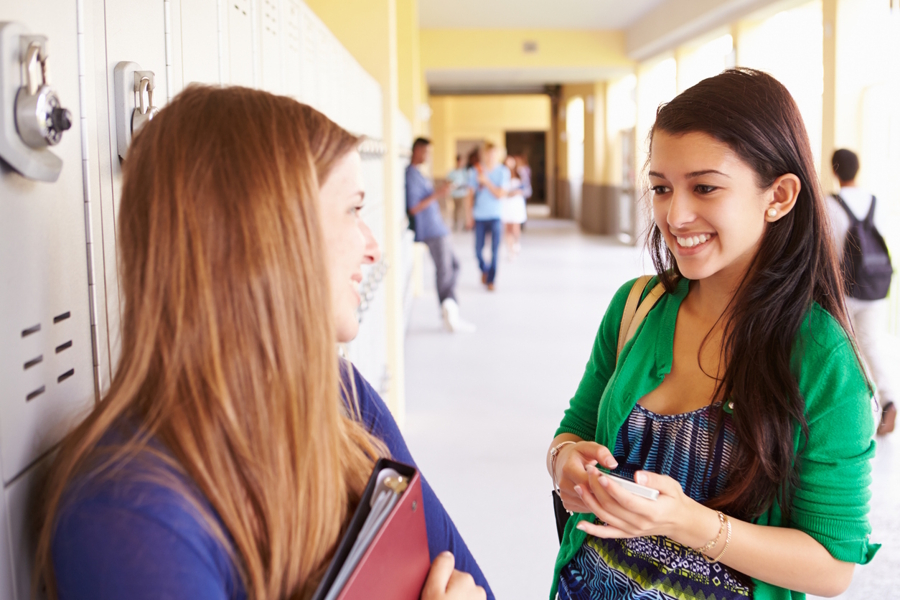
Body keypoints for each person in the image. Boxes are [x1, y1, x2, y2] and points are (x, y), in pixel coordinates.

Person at [35, 86, 491, 600]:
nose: (372, 245)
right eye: (352, 210)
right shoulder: (125, 512)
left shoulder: (339, 391)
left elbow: (470, 581)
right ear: (267, 240)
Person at [546, 69, 878, 600]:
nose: (675, 215)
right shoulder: (636, 306)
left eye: (704, 187)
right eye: (660, 188)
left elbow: (832, 566)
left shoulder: (822, 360)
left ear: (779, 196)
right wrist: (564, 462)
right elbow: (574, 429)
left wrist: (691, 525)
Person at [826, 148, 896, 435]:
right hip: (876, 287)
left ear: (834, 170)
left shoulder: (829, 204)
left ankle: (855, 410)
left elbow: (826, 249)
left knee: (845, 349)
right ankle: (889, 398)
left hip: (845, 288)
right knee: (873, 344)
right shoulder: (876, 202)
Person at [406, 138, 475, 333]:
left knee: (453, 266)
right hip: (431, 230)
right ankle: (450, 314)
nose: (428, 157)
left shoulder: (419, 174)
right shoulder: (411, 175)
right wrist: (439, 193)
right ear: (417, 150)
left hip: (438, 227)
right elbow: (414, 207)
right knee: (445, 270)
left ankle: (449, 309)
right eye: (426, 152)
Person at [466, 143, 509, 291]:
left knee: (495, 250)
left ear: (497, 154)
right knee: (478, 250)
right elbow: (469, 195)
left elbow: (500, 194)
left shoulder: (503, 172)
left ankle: (491, 280)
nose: (490, 156)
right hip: (479, 216)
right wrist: (468, 215)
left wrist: (486, 182)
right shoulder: (475, 171)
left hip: (496, 216)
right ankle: (484, 269)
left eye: (493, 153)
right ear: (484, 154)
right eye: (488, 153)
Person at [501, 155, 528, 259]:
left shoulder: (520, 174)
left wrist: (518, 192)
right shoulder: (502, 174)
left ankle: (516, 244)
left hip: (516, 203)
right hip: (506, 203)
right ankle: (510, 248)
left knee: (515, 226)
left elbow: (527, 189)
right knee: (508, 227)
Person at [445, 154, 470, 231]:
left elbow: (468, 182)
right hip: (455, 194)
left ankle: (464, 225)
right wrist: (453, 184)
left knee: (462, 210)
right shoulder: (452, 172)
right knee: (456, 210)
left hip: (462, 193)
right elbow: (447, 181)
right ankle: (455, 225)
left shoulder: (464, 172)